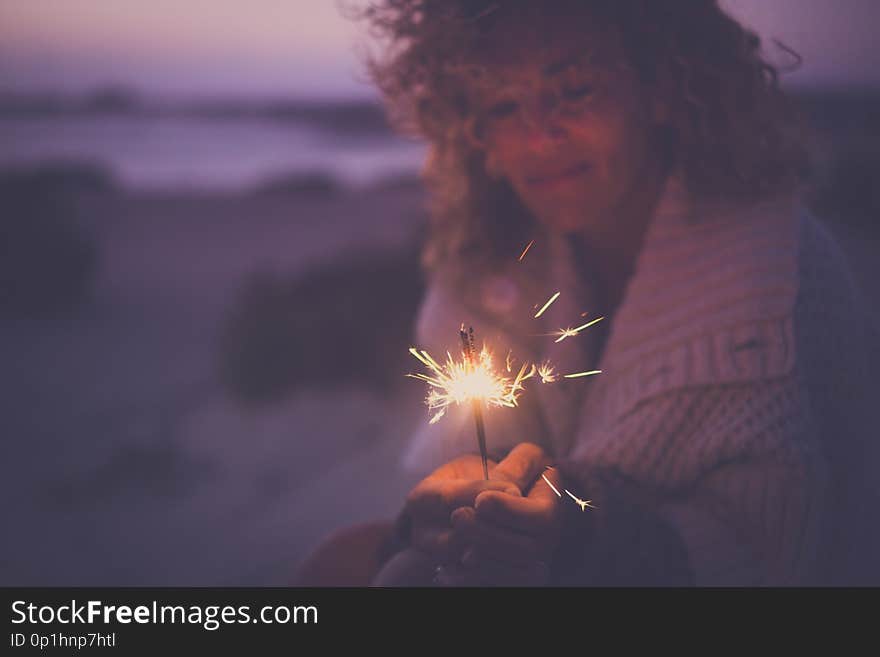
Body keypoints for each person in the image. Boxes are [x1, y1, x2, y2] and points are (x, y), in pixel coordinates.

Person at [295, 0, 880, 586]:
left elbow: (779, 553)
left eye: (574, 90)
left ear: (659, 85)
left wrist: (582, 530)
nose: (539, 132)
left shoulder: (775, 277)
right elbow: (449, 509)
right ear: (476, 134)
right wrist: (438, 524)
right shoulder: (484, 277)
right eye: (503, 104)